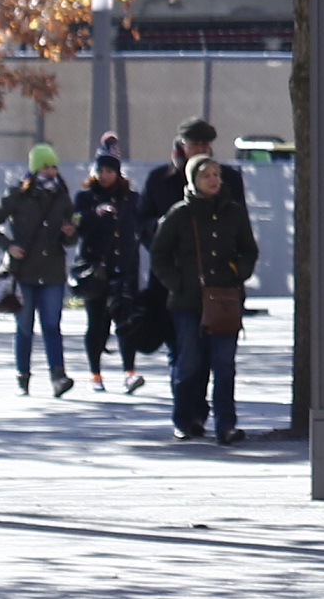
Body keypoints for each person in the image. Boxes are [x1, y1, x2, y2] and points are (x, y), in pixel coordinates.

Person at [153, 151, 257, 445]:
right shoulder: (179, 214)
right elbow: (159, 253)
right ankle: (185, 419)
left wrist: (236, 272)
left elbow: (249, 250)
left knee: (224, 364)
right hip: (187, 303)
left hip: (225, 301)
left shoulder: (233, 212)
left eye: (216, 175)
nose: (213, 180)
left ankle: (226, 425)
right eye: (206, 175)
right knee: (189, 363)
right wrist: (177, 282)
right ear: (193, 180)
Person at [0, 144, 79, 397]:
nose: (51, 171)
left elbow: (71, 236)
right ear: (35, 168)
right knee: (25, 326)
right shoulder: (18, 194)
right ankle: (23, 375)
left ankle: (58, 376)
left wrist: (70, 234)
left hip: (52, 272)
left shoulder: (62, 196)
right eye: (46, 166)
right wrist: (9, 246)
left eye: (53, 166)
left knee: (52, 325)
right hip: (23, 272)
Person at [72, 150, 150, 395]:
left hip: (125, 269)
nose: (104, 176)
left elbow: (145, 231)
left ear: (118, 173)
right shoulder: (85, 198)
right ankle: (95, 374)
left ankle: (130, 373)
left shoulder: (132, 199)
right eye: (100, 171)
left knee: (126, 322)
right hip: (95, 270)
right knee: (97, 324)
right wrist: (94, 214)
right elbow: (76, 227)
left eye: (109, 171)